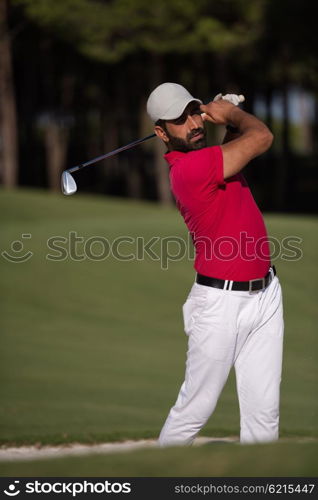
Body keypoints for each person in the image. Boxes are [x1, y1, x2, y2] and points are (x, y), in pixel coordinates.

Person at [146, 82, 284, 445]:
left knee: (264, 416)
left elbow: (238, 143)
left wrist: (227, 116)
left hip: (266, 295)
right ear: (161, 133)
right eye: (179, 120)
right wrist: (232, 114)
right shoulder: (188, 170)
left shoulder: (209, 160)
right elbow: (262, 137)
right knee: (195, 409)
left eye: (194, 112)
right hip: (220, 305)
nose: (193, 124)